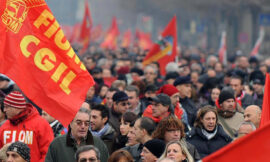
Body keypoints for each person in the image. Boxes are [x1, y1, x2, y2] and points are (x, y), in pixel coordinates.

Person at [0, 91, 54, 162]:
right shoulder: (4, 127)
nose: (4, 110)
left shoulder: (41, 124)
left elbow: (48, 153)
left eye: (7, 107)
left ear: (16, 107)